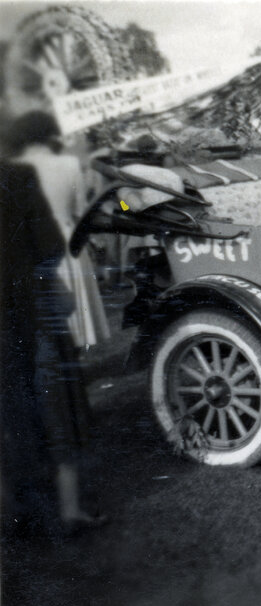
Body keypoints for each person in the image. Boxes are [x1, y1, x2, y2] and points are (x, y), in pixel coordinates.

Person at [1, 155, 107, 534]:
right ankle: (67, 509)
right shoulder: (18, 174)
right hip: (31, 308)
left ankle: (13, 513)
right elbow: (49, 245)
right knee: (55, 408)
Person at [11, 111, 110, 350]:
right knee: (73, 297)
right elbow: (80, 208)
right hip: (68, 236)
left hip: (31, 244)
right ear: (50, 134)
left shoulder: (14, 169)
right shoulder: (69, 164)